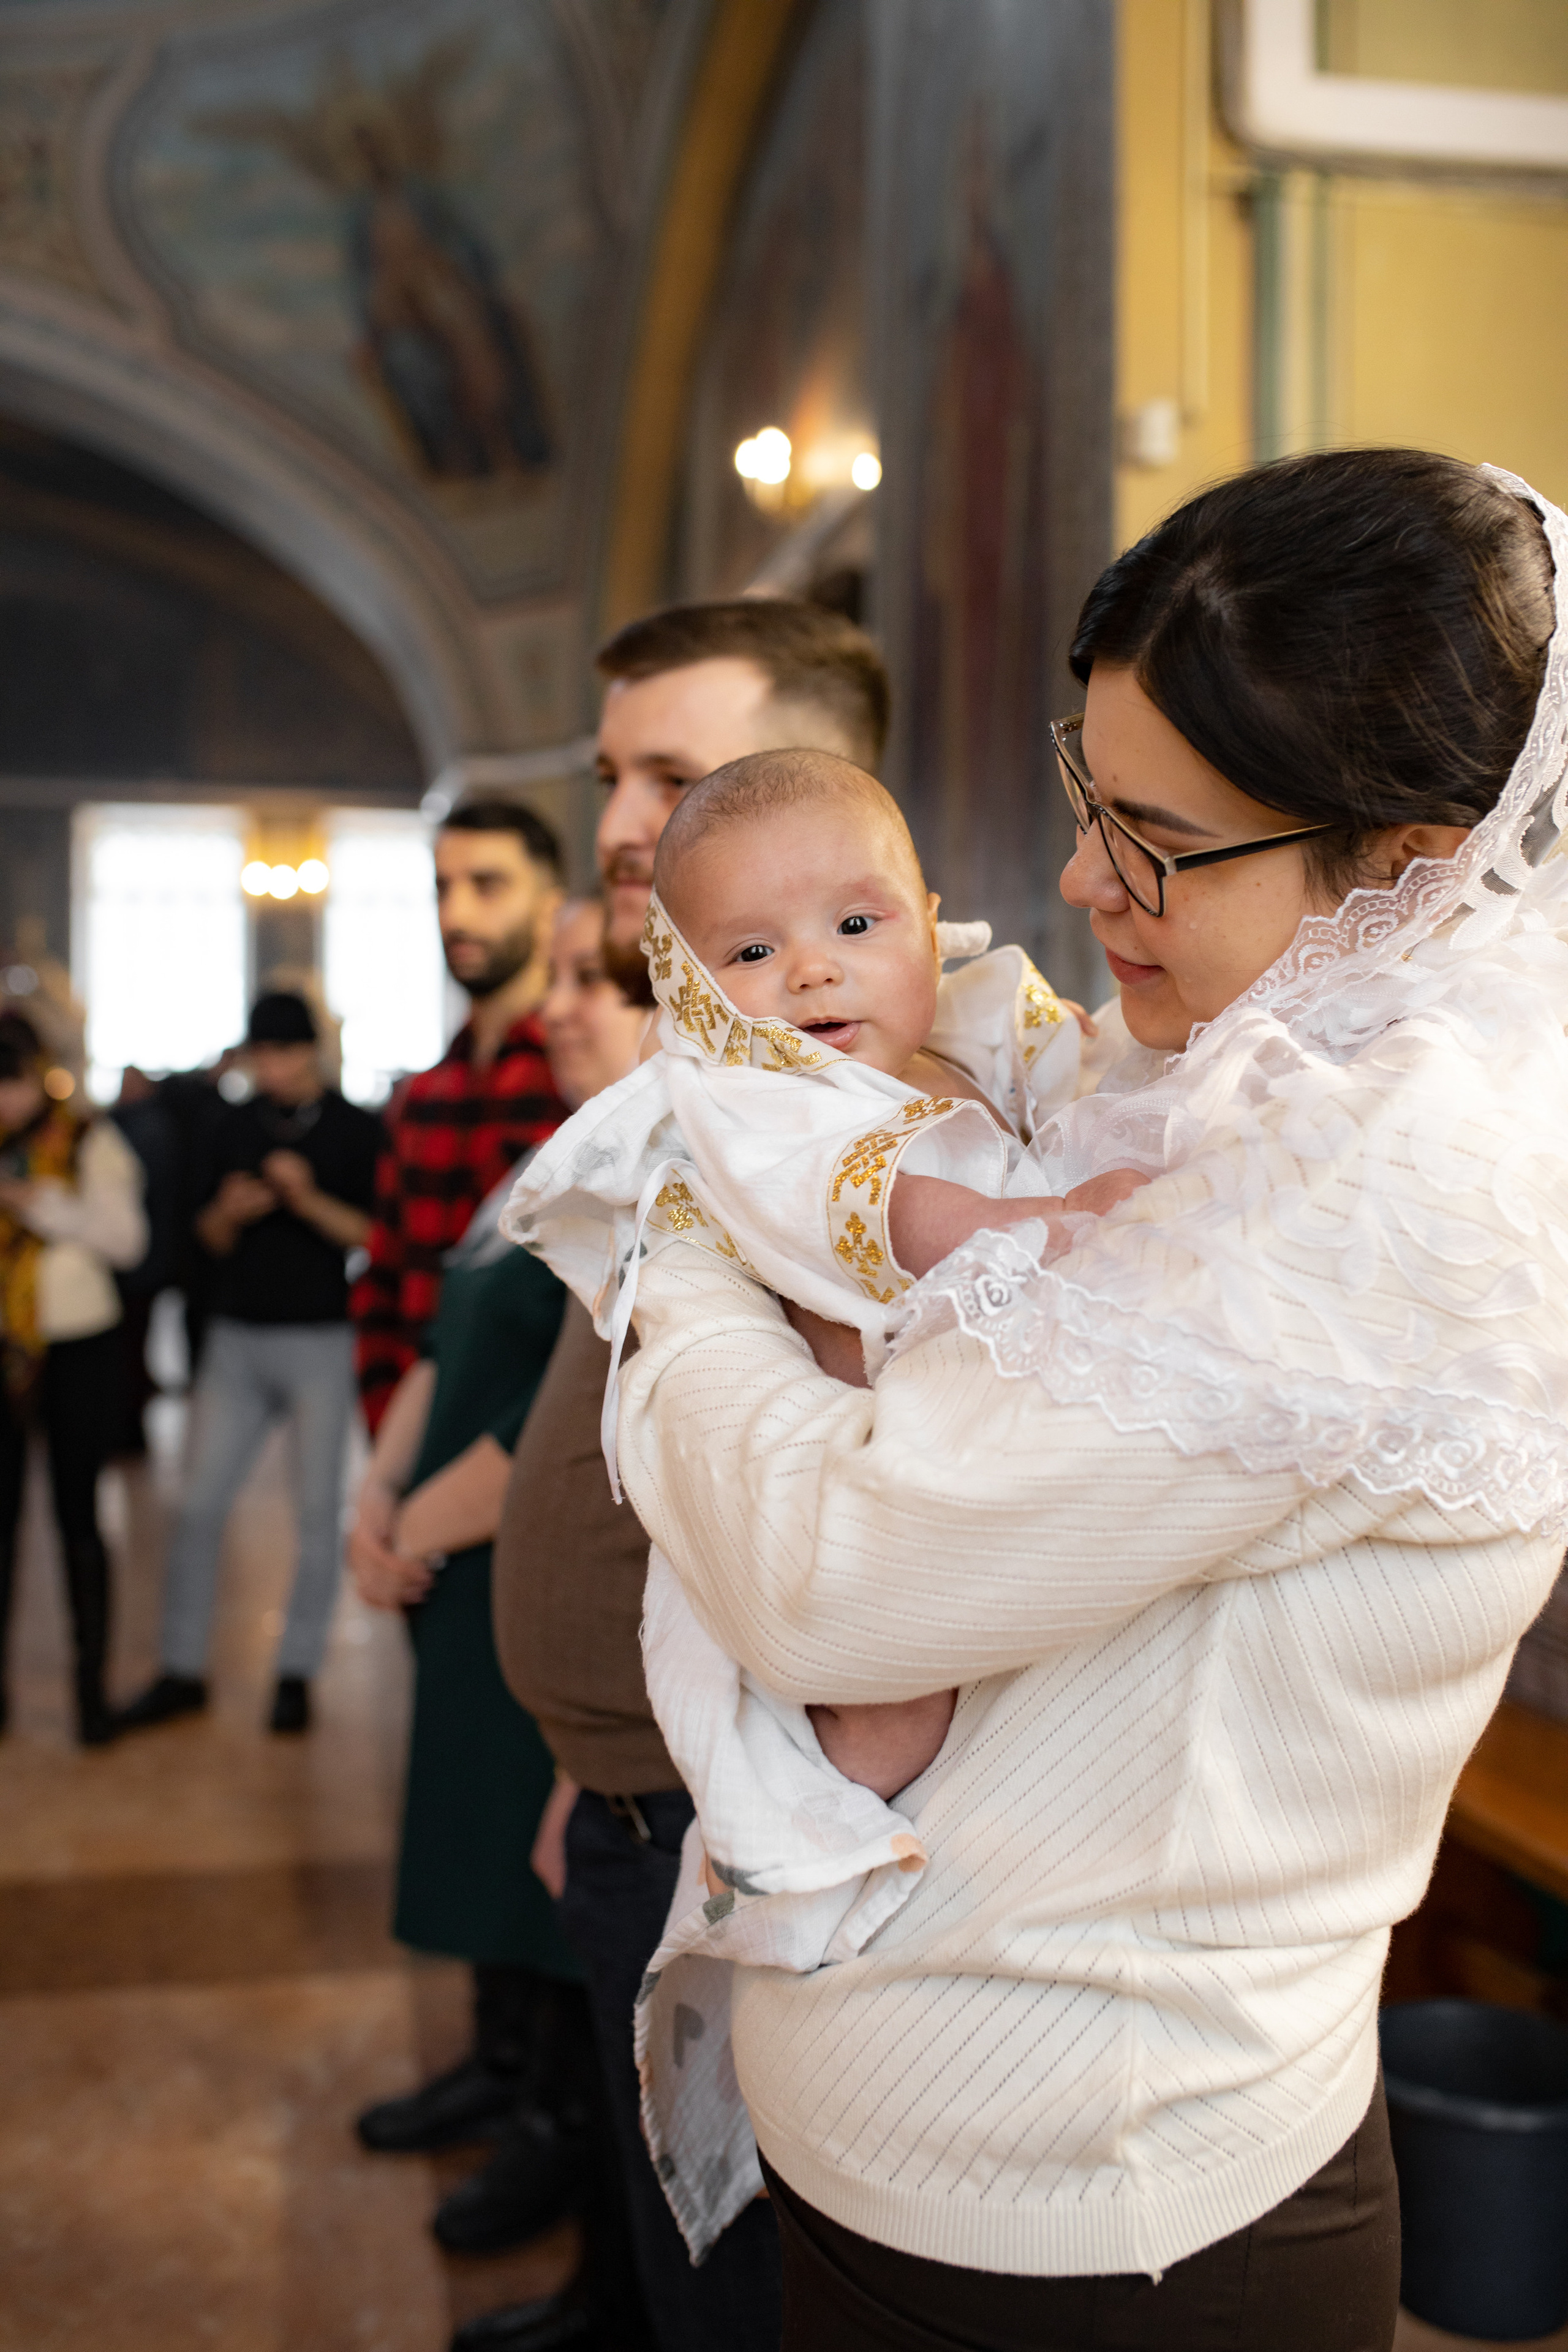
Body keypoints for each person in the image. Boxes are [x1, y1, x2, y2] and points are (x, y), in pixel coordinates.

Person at [611, 452, 1568, 2352]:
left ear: (1407, 860)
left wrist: (687, 1252)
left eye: (1154, 841)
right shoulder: (1230, 1058)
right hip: (971, 2159)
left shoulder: (1386, 1175)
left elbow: (826, 1581)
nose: (1077, 881)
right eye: (1087, 796)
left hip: (1080, 2208)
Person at [489, 601, 892, 2352]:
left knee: (735, 2281)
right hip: (635, 1782)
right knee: (668, 2232)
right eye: (610, 775)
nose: (619, 822)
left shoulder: (844, 1089)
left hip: (737, 1815)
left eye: (673, 774)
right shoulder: (703, 1072)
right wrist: (591, 1759)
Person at [345, 1088, 592, 2271]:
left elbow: (565, 1406)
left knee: (537, 1856)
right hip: (448, 1545)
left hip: (515, 1546)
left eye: (600, 996)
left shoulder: (647, 1170)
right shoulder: (540, 1159)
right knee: (477, 1823)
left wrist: (416, 1524)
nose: (567, 1011)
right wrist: (380, 1494)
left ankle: (552, 2118)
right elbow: (449, 1342)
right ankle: (499, 2066)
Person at [116, 993, 383, 1735]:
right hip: (236, 1338)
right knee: (199, 1505)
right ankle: (181, 1668)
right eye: (260, 1054)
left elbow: (371, 1236)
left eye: (282, 1053)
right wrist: (229, 1211)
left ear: (309, 1052)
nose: (271, 1068)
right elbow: (202, 1238)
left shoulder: (355, 1129)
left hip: (321, 1338)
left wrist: (307, 1199)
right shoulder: (229, 1124)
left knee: (315, 1513)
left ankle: (296, 1671)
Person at [352, 798, 566, 1436]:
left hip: (527, 1438)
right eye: (443, 889)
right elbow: (383, 1273)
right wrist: (387, 1422)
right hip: (414, 1428)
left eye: (488, 886)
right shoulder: (424, 1093)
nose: (456, 915)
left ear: (549, 908)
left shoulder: (578, 1081)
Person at [0, 1009, 146, 1743]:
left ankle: (91, 1695)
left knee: (78, 1517)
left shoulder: (88, 1138)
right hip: (7, 1347)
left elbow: (127, 1242)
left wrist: (42, 1206)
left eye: (14, 1083)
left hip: (78, 1345)